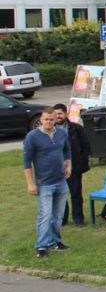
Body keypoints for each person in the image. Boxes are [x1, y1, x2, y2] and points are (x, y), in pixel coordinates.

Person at [24, 109, 71, 258]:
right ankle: (42, 246)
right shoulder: (33, 137)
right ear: (41, 120)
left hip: (61, 181)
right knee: (45, 215)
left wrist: (68, 165)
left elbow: (67, 150)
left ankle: (55, 241)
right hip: (44, 182)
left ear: (55, 119)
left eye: (52, 119)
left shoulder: (62, 133)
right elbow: (26, 162)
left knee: (58, 216)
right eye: (46, 119)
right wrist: (30, 183)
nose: (49, 122)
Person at [53, 103, 90, 227]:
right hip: (57, 167)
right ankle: (62, 219)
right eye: (55, 114)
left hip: (74, 166)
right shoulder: (50, 129)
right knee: (60, 194)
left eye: (60, 113)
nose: (57, 116)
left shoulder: (76, 128)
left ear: (66, 114)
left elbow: (85, 146)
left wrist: (83, 162)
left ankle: (78, 219)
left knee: (75, 193)